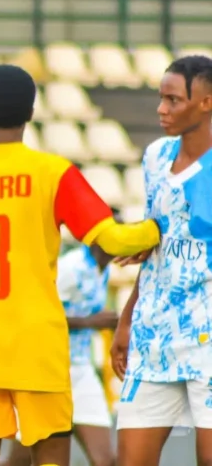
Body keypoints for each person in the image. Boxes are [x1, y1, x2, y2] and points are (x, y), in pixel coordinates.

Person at [0, 64, 161, 466]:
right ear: (30, 114)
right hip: (37, 341)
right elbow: (111, 239)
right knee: (51, 454)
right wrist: (160, 228)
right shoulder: (53, 172)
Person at [109, 55, 212, 466]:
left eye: (173, 100)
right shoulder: (155, 157)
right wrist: (127, 316)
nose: (161, 109)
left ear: (206, 102)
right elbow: (158, 245)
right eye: (160, 98)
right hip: (154, 335)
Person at [0, 241, 118, 466]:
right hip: (47, 368)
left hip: (80, 369)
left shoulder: (103, 270)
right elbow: (37, 312)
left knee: (105, 461)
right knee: (20, 461)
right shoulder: (70, 268)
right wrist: (89, 322)